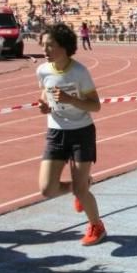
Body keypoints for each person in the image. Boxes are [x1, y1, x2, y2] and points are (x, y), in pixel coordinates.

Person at [36, 23, 106, 246]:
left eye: (50, 46)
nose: (45, 50)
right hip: (56, 132)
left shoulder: (79, 72)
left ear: (64, 47)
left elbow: (95, 106)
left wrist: (70, 100)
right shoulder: (42, 70)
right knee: (47, 189)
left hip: (81, 133)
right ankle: (80, 186)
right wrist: (45, 105)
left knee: (80, 189)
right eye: (43, 45)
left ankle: (97, 226)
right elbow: (45, 92)